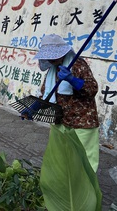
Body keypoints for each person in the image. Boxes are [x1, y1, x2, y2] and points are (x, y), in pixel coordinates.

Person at [32, 34, 99, 172]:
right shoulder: (52, 68)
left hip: (82, 121)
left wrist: (72, 80)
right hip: (60, 120)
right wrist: (33, 108)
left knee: (84, 161)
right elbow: (46, 92)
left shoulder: (78, 64)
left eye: (53, 55)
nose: (51, 59)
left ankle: (86, 191)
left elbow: (92, 89)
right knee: (59, 159)